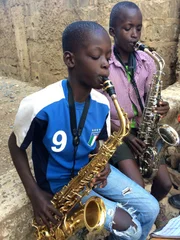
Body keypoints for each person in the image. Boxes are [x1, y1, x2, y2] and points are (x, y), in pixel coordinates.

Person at [8, 21, 159, 240]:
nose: (106, 65)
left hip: (90, 175)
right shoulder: (39, 105)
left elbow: (98, 144)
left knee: (152, 209)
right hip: (59, 186)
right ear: (70, 59)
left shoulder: (102, 103)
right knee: (131, 229)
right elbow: (15, 145)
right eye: (96, 57)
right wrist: (34, 194)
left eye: (108, 57)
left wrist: (104, 163)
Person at [104, 1, 172, 202]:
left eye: (138, 28)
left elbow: (152, 96)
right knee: (138, 187)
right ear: (113, 31)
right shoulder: (104, 65)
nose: (135, 34)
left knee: (165, 183)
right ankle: (140, 212)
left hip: (144, 129)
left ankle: (152, 208)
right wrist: (125, 137)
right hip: (117, 133)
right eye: (128, 28)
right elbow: (97, 113)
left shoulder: (147, 60)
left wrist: (161, 106)